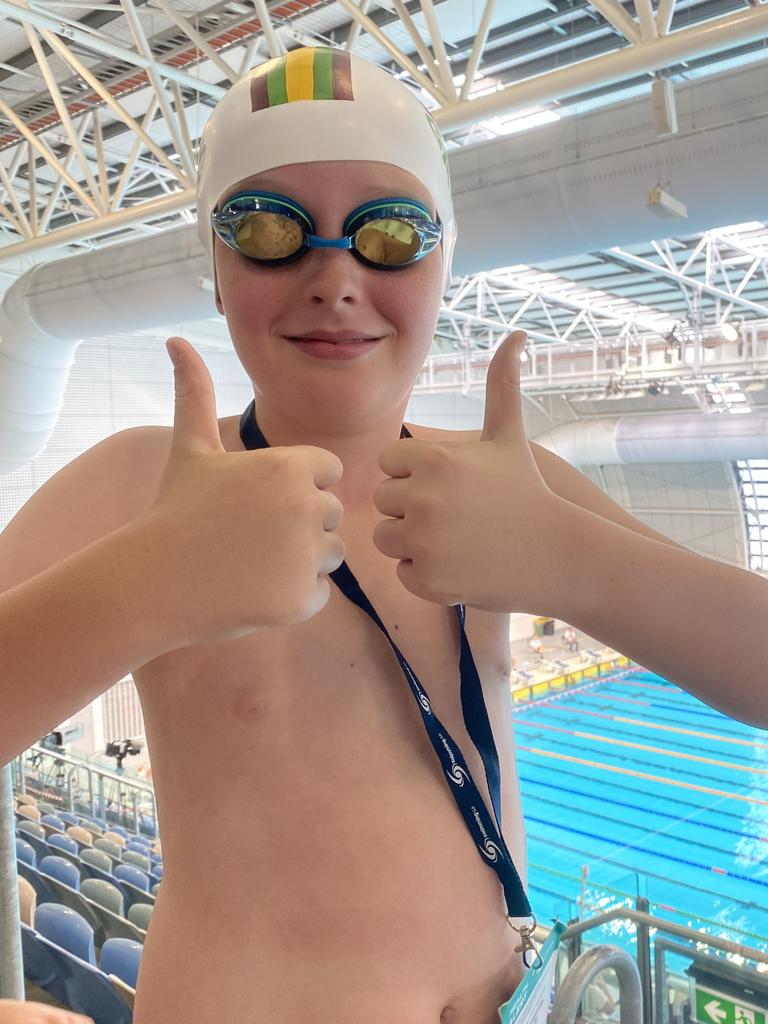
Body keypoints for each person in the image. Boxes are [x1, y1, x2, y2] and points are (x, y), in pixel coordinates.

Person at [1, 43, 766, 1024]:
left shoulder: (503, 479)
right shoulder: (146, 481)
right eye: (270, 227)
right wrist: (139, 588)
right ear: (217, 268)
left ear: (443, 260)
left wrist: (575, 562)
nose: (334, 277)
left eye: (390, 233)